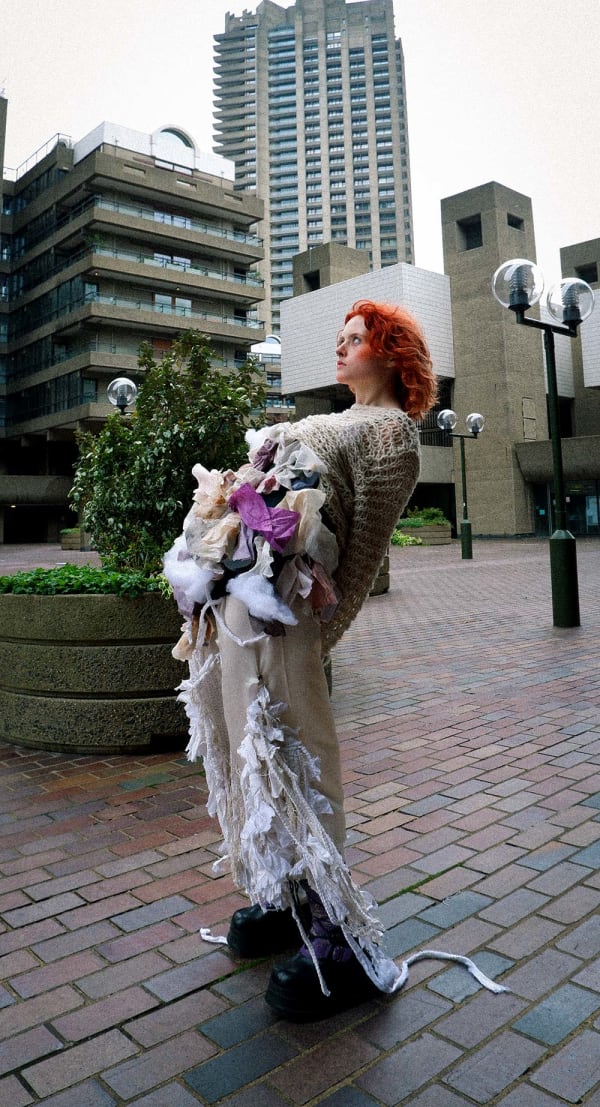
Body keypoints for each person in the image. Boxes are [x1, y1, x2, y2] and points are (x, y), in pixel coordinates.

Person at [163, 299, 438, 1021]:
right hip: (239, 594)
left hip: (286, 601)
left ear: (391, 353)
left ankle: (338, 932)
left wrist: (318, 608)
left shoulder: (392, 434)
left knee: (292, 746)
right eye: (342, 339)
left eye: (358, 339)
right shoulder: (339, 417)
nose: (342, 349)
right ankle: (287, 897)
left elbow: (363, 538)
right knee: (245, 744)